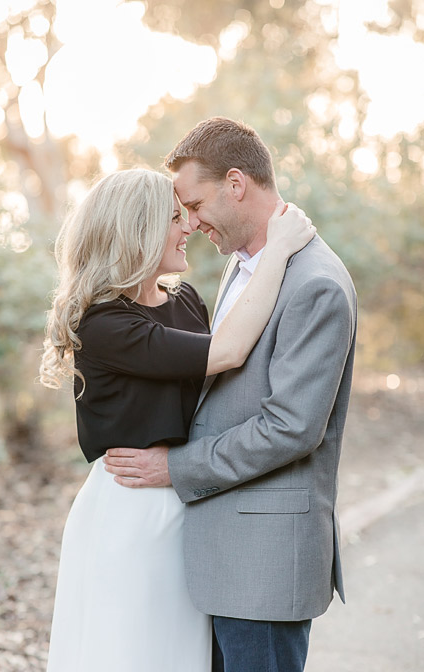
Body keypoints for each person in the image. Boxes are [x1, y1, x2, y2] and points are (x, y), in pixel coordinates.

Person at [104, 117, 357, 672]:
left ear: (236, 184)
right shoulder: (243, 269)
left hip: (263, 563)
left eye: (193, 206)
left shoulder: (314, 281)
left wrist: (175, 467)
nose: (189, 224)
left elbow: (290, 427)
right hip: (220, 557)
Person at [38, 167, 315, 671]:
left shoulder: (187, 300)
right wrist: (277, 249)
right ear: (136, 230)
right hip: (131, 514)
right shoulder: (104, 323)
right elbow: (227, 351)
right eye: (173, 217)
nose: (188, 226)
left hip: (192, 500)